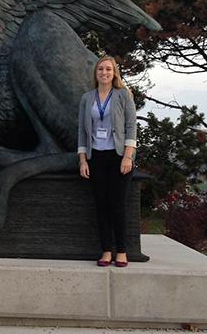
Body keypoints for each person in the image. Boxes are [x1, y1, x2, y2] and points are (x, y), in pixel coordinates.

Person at [77, 56, 136, 268]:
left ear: (114, 73)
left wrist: (128, 156)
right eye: (101, 69)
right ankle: (106, 251)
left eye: (108, 69)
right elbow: (82, 132)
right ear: (96, 73)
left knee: (117, 206)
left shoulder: (123, 95)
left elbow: (131, 126)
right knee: (101, 206)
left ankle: (121, 251)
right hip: (96, 158)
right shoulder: (87, 98)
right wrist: (83, 160)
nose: (104, 72)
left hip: (119, 157)